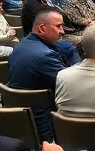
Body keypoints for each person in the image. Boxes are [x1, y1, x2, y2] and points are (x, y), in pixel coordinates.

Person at [7, 8, 70, 141]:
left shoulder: (20, 46)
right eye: (58, 26)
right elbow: (71, 85)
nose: (62, 31)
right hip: (43, 120)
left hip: (22, 115)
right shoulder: (45, 55)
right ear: (42, 29)